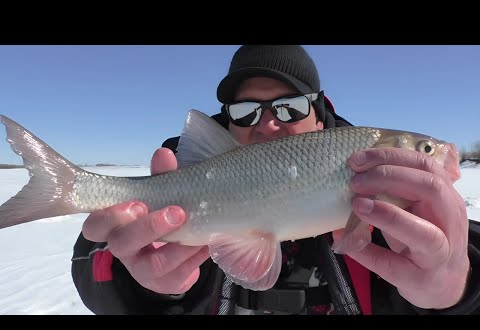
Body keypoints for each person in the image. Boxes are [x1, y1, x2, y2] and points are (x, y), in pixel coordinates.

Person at [71, 45, 480, 315]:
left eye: (289, 107)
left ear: (319, 116)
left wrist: (459, 290)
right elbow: (93, 265)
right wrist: (150, 288)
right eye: (245, 111)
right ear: (225, 121)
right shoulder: (179, 175)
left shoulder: (372, 183)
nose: (267, 124)